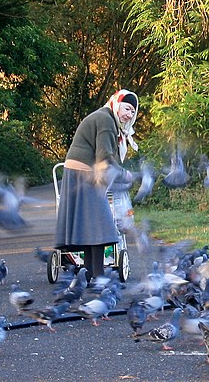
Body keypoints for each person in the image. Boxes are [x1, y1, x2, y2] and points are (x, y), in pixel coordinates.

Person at [55, 89, 139, 281]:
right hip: (84, 174)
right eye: (127, 108)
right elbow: (104, 157)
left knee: (88, 226)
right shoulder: (106, 120)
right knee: (101, 225)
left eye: (133, 112)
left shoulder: (107, 118)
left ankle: (92, 274)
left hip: (79, 172)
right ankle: (98, 277)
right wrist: (123, 173)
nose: (129, 114)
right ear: (117, 104)